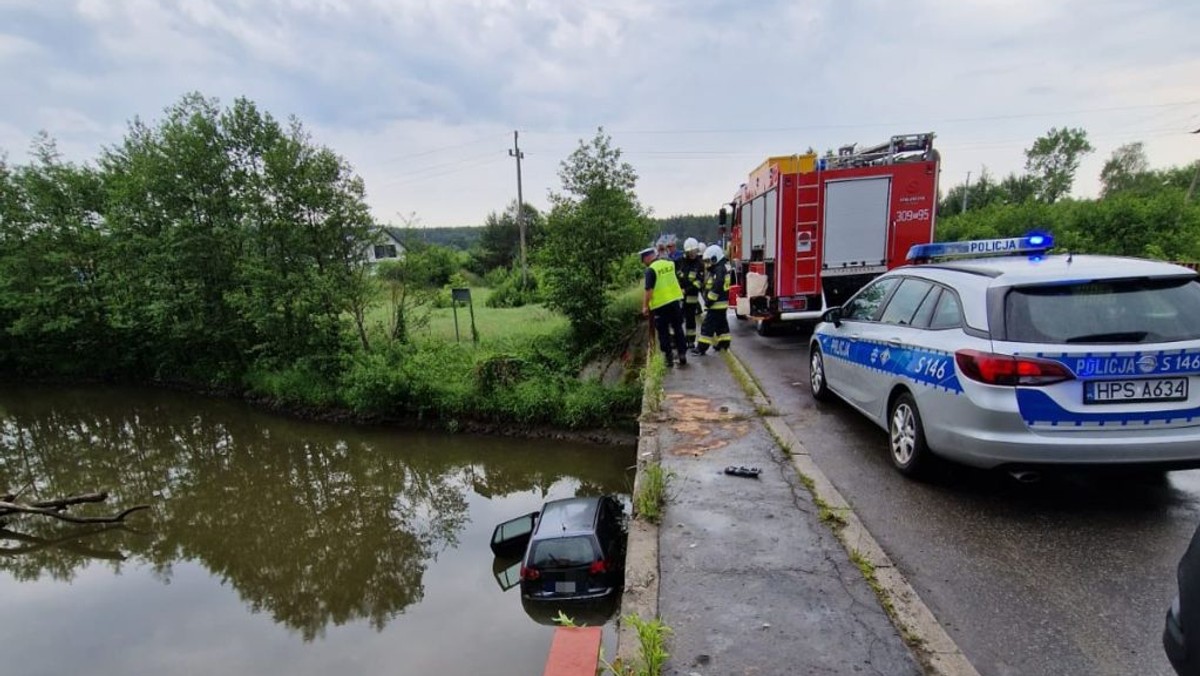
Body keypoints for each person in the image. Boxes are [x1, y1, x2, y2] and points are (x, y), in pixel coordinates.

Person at [640, 246, 688, 367]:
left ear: (647, 258)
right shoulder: (669, 264)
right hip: (675, 302)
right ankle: (682, 354)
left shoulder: (651, 270)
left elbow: (649, 291)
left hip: (660, 305)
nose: (643, 263)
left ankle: (669, 358)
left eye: (643, 260)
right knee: (678, 328)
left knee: (663, 332)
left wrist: (645, 306)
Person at [694, 244, 732, 355]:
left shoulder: (719, 271)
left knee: (707, 326)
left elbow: (717, 287)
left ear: (715, 258)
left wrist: (709, 301)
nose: (707, 264)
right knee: (721, 325)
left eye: (709, 261)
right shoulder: (721, 268)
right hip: (721, 304)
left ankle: (701, 348)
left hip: (716, 304)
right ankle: (724, 344)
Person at [677, 237, 706, 350]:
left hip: (691, 296)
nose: (693, 253)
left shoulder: (699, 264)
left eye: (694, 251)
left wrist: (686, 290)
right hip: (679, 296)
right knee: (677, 319)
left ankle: (690, 341)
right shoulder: (680, 262)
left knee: (690, 319)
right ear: (687, 252)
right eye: (690, 252)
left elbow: (699, 282)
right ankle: (677, 340)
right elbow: (676, 276)